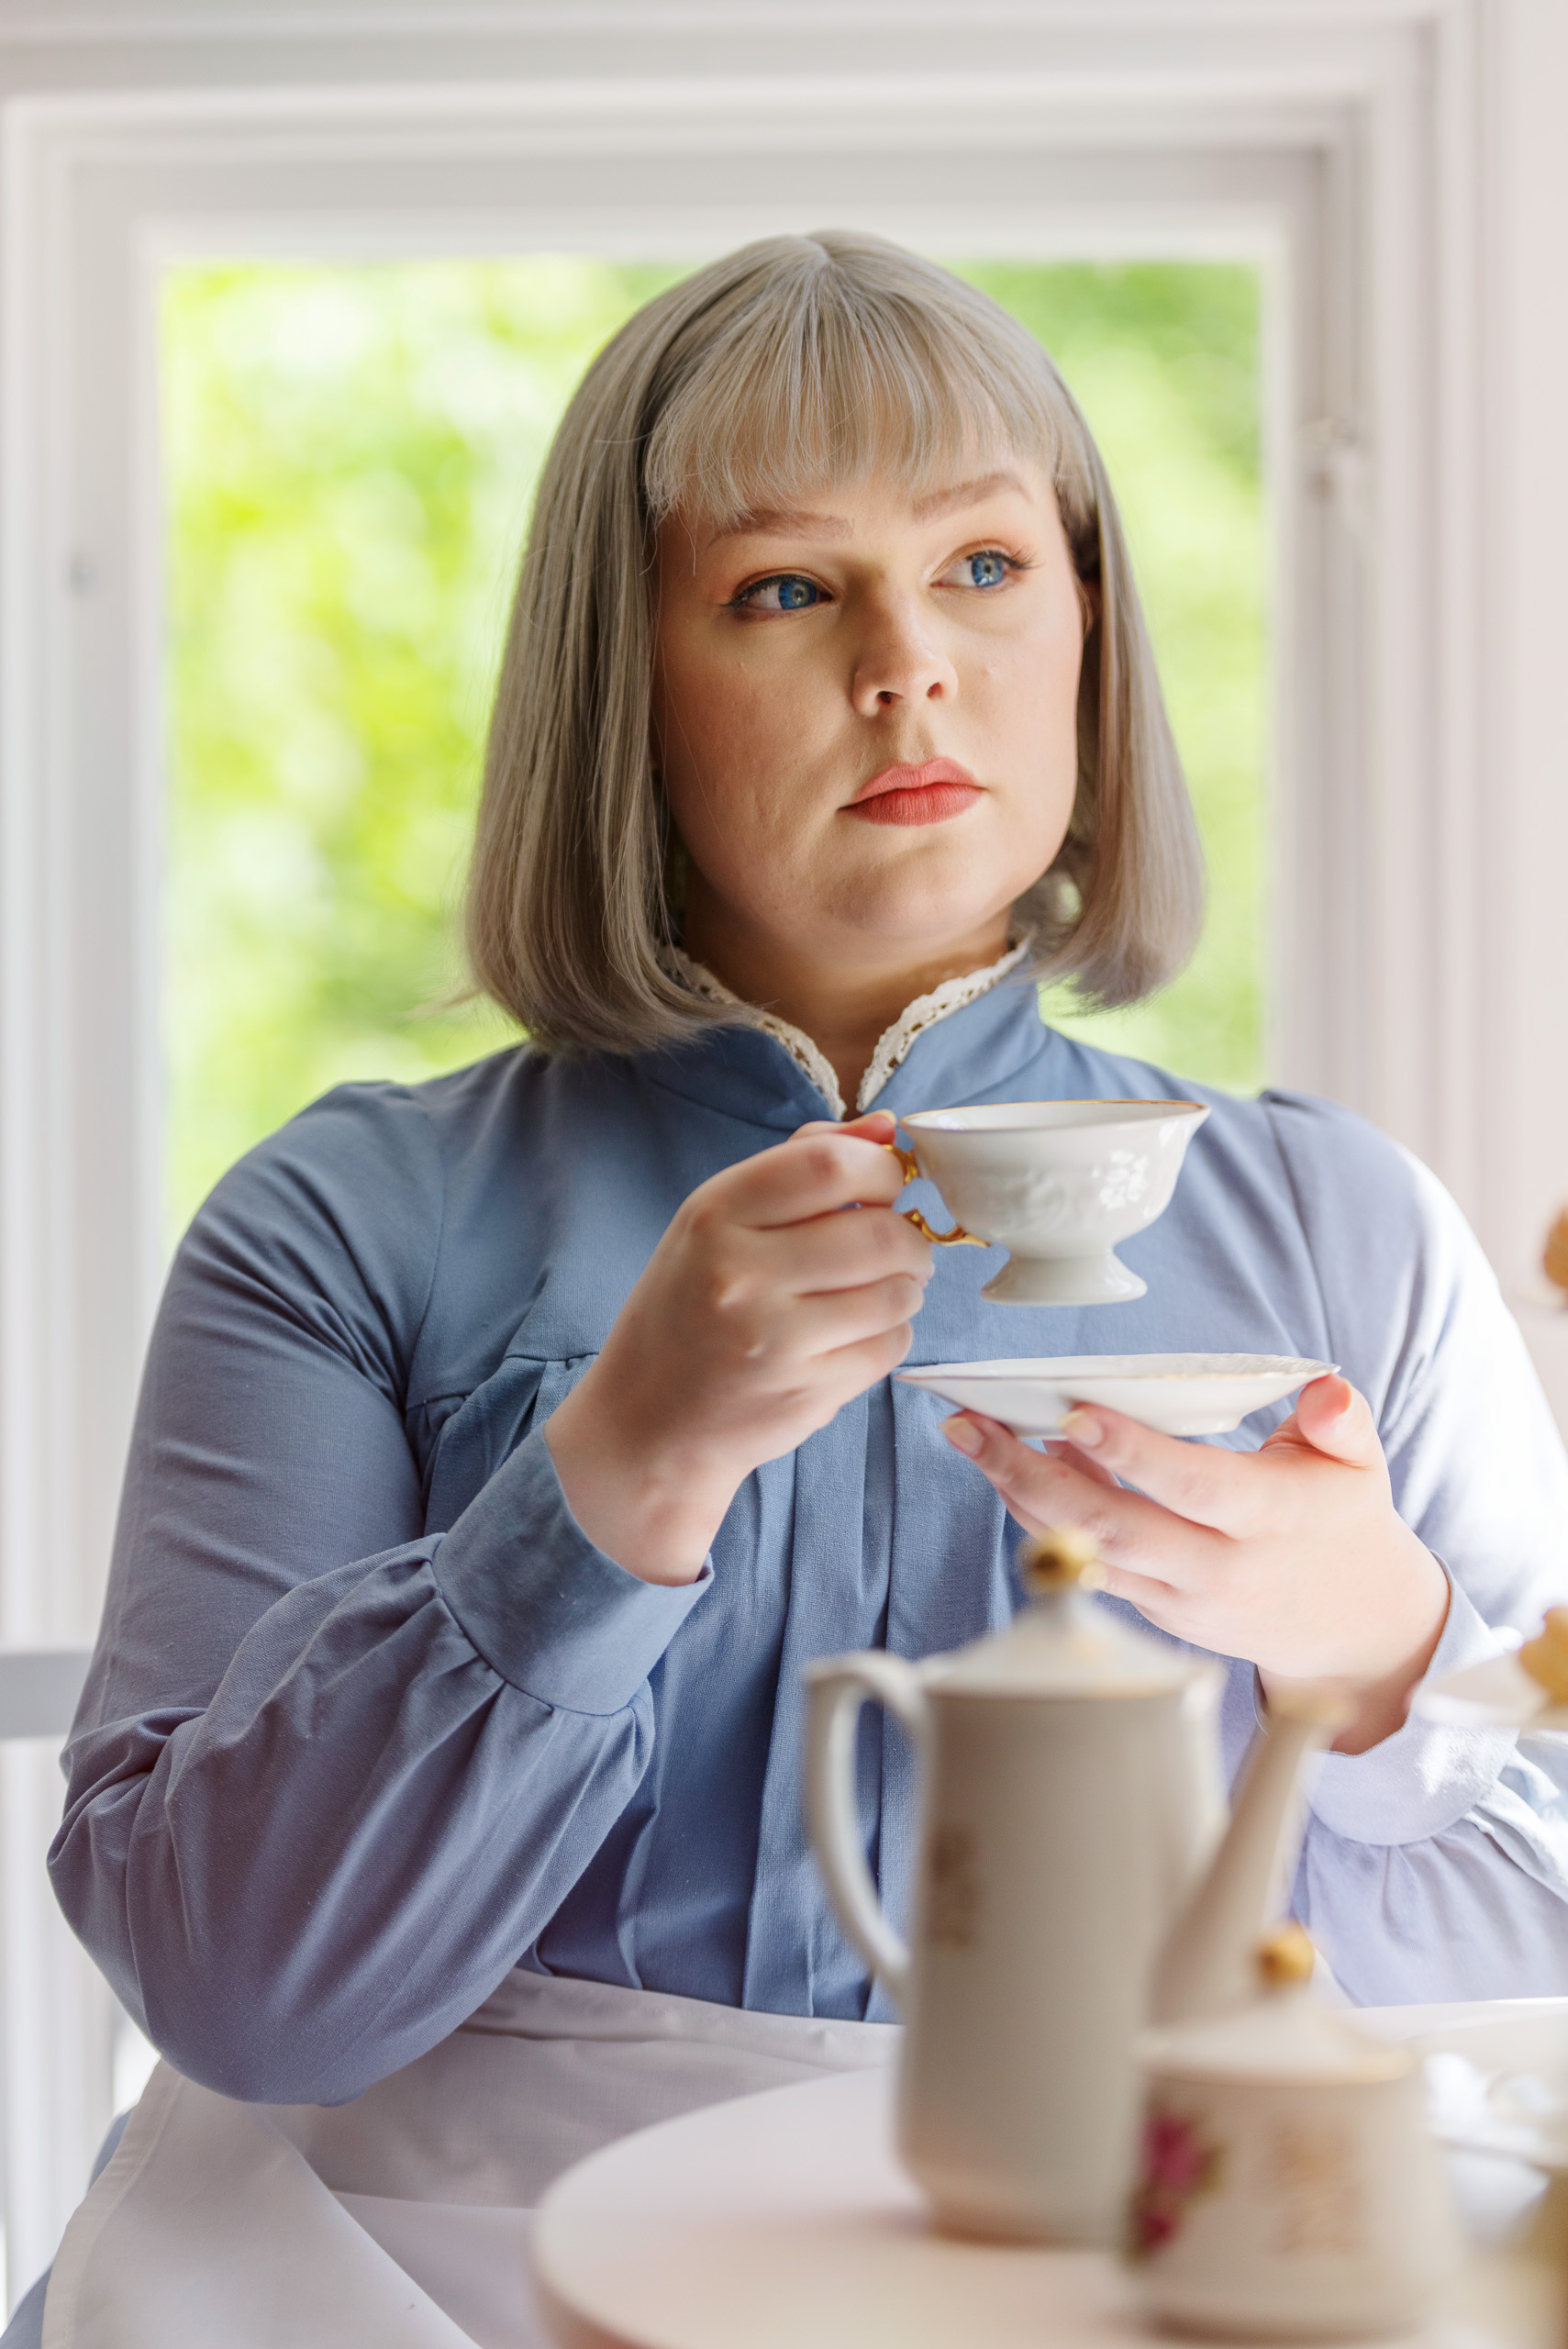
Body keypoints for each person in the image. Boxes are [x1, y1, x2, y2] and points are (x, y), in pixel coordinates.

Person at [20, 232, 1568, 2346]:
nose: (908, 663)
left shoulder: (1342, 1226)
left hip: (1126, 2278)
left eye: (984, 565)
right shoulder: (339, 1229)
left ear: (1090, 621)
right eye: (782, 588)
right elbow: (242, 1990)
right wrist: (611, 1477)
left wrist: (1378, 1654)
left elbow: (1520, 2008)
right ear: (622, 680)